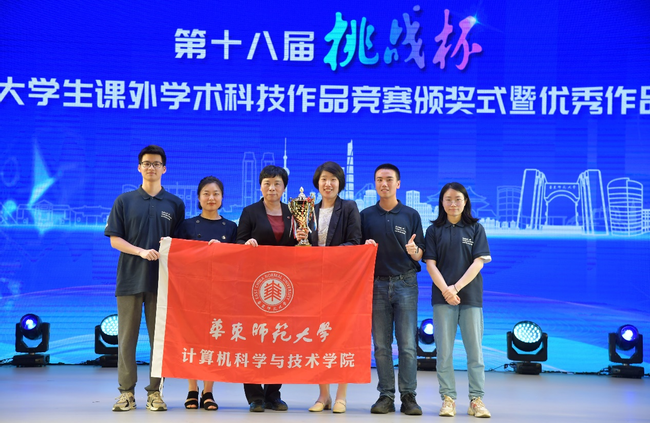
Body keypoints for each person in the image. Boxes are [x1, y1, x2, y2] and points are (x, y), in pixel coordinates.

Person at [104, 145, 185, 412]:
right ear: (139, 167)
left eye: (156, 163)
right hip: (129, 279)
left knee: (159, 340)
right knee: (126, 339)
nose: (151, 168)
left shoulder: (175, 204)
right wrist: (140, 251)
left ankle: (155, 393)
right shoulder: (124, 201)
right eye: (147, 163)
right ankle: (126, 393)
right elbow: (115, 239)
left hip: (162, 282)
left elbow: (180, 244)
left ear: (164, 168)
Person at [236, 164, 305, 412]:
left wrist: (302, 240)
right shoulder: (250, 212)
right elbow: (238, 242)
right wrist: (247, 243)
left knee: (280, 339)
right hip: (255, 286)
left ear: (284, 188)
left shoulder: (293, 211)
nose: (272, 188)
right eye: (267, 183)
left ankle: (273, 394)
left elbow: (300, 244)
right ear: (260, 186)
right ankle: (255, 396)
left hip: (285, 286)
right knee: (253, 339)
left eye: (277, 183)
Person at [423, 182, 492, 418]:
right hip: (442, 299)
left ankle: (476, 400)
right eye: (448, 199)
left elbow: (478, 263)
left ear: (465, 202)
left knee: (475, 352)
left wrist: (456, 288)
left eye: (458, 199)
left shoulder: (475, 228)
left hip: (470, 297)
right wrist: (446, 291)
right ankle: (448, 399)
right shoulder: (433, 231)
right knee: (444, 352)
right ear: (441, 202)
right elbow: (430, 264)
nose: (453, 204)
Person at [360, 163, 425, 416]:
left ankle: (409, 396)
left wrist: (414, 251)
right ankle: (386, 395)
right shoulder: (365, 215)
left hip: (406, 283)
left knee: (407, 344)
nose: (383, 184)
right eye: (379, 179)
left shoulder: (411, 215)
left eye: (389, 179)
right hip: (376, 284)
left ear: (398, 184)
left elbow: (420, 254)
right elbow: (357, 250)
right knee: (381, 345)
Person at [175, 176, 237, 411]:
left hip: (219, 291)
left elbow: (237, 260)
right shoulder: (187, 225)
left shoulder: (231, 227)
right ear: (199, 198)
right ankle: (192, 389)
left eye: (216, 194)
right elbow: (178, 255)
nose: (211, 198)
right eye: (206, 194)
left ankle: (208, 391)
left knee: (213, 339)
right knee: (192, 339)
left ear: (222, 198)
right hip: (191, 290)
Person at [307, 161, 361, 414]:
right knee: (319, 338)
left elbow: (354, 242)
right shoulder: (308, 209)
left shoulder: (349, 207)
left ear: (340, 183)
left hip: (341, 283)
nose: (327, 184)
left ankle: (341, 395)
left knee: (341, 338)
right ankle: (323, 395)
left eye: (333, 179)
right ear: (317, 183)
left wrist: (326, 256)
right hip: (314, 283)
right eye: (323, 179)